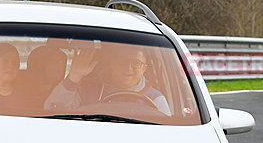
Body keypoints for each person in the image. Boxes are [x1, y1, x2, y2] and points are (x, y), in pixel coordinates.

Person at [43, 43, 171, 115]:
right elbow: (51, 111)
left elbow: (167, 136)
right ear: (112, 64)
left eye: (136, 63)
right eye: (122, 61)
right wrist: (74, 77)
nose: (128, 67)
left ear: (144, 68)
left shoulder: (155, 99)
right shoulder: (86, 89)